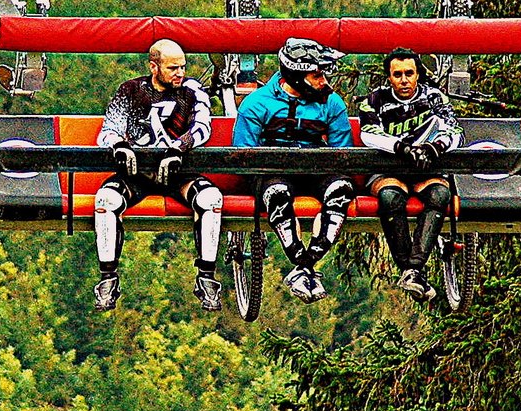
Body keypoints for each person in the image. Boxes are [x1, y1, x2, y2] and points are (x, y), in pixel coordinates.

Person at [93, 38, 226, 312]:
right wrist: (119, 146)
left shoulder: (192, 91)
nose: (180, 73)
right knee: (106, 200)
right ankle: (107, 279)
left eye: (183, 67)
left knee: (211, 199)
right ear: (154, 67)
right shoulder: (131, 90)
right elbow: (109, 129)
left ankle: (206, 278)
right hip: (137, 174)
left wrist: (179, 147)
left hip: (180, 173)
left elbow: (203, 127)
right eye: (172, 68)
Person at [233, 38, 355, 302]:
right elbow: (243, 155)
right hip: (271, 170)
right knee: (278, 193)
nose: (324, 81)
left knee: (341, 189)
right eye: (317, 75)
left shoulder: (331, 103)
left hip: (315, 168)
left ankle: (305, 266)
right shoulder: (257, 104)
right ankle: (303, 263)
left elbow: (341, 154)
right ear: (297, 77)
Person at [358, 47, 464, 300]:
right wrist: (401, 148)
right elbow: (368, 133)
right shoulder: (374, 100)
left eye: (409, 73)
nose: (404, 80)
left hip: (426, 167)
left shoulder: (434, 97)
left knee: (439, 194)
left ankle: (413, 269)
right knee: (391, 198)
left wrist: (434, 147)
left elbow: (455, 131)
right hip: (388, 167)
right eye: (397, 75)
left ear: (418, 74)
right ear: (389, 77)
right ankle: (411, 270)